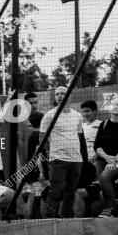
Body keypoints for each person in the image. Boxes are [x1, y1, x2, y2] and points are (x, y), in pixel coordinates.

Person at [38, 85, 85, 219]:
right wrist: (52, 153)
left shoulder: (77, 116)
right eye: (57, 94)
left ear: (69, 96)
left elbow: (79, 137)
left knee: (70, 193)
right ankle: (49, 222)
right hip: (57, 159)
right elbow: (42, 139)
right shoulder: (49, 115)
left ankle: (67, 220)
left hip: (76, 160)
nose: (59, 96)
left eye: (63, 93)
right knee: (55, 192)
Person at [93, 96, 118, 217]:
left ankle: (109, 209)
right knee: (103, 182)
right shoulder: (103, 124)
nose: (115, 107)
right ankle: (111, 213)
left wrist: (115, 159)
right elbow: (97, 145)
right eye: (113, 104)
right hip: (103, 160)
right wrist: (106, 157)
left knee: (105, 177)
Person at [74, 99, 102, 217]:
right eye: (83, 112)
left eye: (88, 111)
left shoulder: (101, 125)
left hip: (95, 162)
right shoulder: (82, 127)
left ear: (95, 111)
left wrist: (94, 159)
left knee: (94, 188)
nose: (85, 114)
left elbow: (102, 146)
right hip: (83, 163)